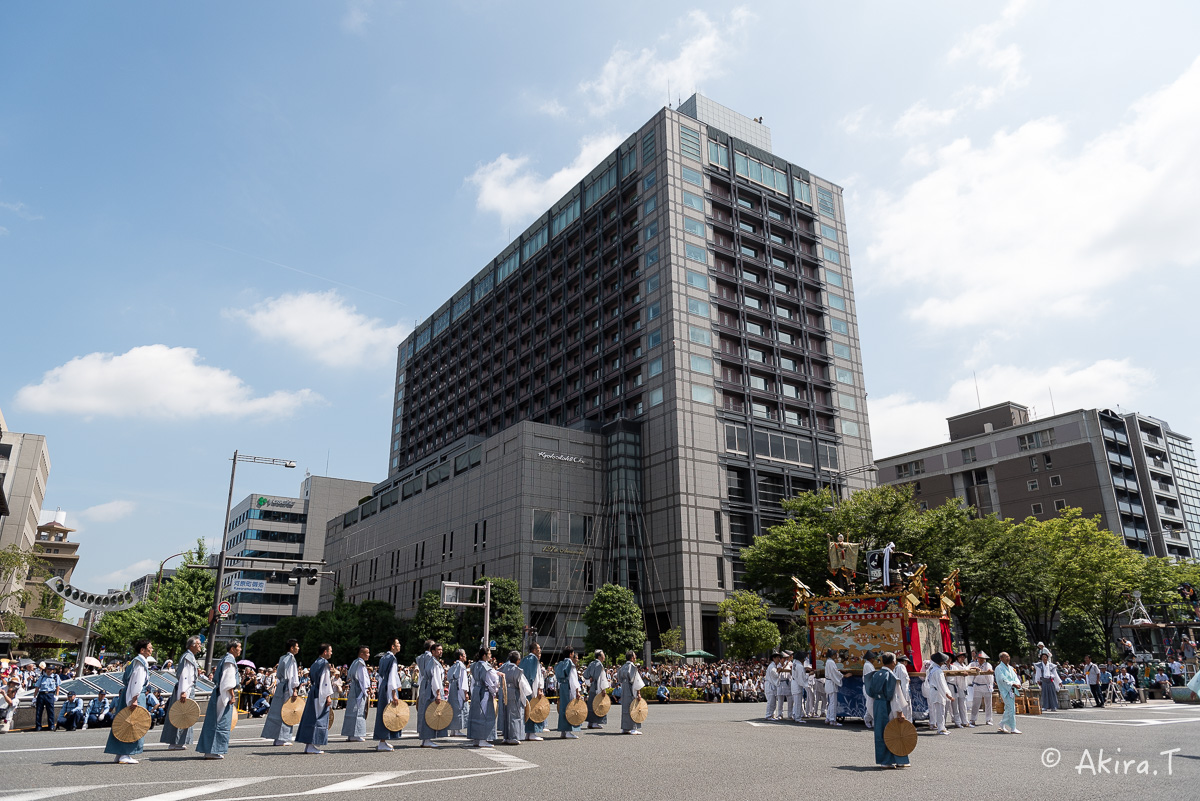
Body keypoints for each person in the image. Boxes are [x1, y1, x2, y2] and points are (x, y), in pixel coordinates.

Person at [104, 639, 153, 765]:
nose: (151, 649)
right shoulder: (141, 662)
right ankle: (125, 754)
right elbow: (137, 682)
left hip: (128, 694)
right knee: (132, 724)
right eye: (149, 648)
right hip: (135, 695)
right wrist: (135, 699)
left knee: (123, 723)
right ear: (142, 650)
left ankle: (120, 753)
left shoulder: (135, 661)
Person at [196, 641, 241, 760]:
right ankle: (213, 750)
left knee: (214, 720)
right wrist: (232, 695)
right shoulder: (229, 661)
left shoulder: (225, 659)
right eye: (239, 647)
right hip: (224, 693)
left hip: (220, 692)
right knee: (220, 722)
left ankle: (210, 750)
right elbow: (228, 681)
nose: (240, 649)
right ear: (232, 649)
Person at [865, 653, 909, 769]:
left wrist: (871, 711)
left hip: (877, 705)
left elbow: (870, 695)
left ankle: (885, 761)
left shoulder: (875, 675)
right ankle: (899, 760)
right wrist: (899, 712)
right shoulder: (891, 677)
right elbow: (896, 697)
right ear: (893, 662)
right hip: (888, 705)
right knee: (894, 732)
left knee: (880, 733)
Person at [161, 636, 202, 749]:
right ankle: (176, 742)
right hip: (185, 689)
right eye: (198, 644)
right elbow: (185, 676)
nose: (200, 646)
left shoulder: (189, 656)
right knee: (182, 714)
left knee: (180, 714)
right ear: (192, 645)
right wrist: (183, 691)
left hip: (185, 688)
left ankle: (176, 742)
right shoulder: (188, 657)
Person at [295, 644, 334, 755]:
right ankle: (313, 745)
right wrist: (328, 696)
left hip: (313, 692)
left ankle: (309, 745)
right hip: (320, 692)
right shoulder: (324, 664)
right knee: (319, 718)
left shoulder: (315, 663)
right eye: (330, 651)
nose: (331, 653)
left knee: (311, 717)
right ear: (325, 652)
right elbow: (325, 682)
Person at [374, 637, 404, 751]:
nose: (399, 645)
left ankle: (383, 740)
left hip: (383, 687)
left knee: (383, 712)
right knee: (387, 714)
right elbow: (392, 677)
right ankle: (382, 741)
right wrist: (394, 694)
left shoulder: (383, 658)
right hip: (389, 688)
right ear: (393, 646)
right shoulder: (392, 659)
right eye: (398, 643)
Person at [416, 641, 448, 747]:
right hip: (432, 690)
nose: (440, 652)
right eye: (438, 650)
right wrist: (438, 693)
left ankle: (426, 738)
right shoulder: (434, 663)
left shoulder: (427, 660)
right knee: (430, 713)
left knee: (427, 712)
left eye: (441, 650)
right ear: (432, 651)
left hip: (426, 688)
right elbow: (436, 679)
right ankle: (427, 739)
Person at [467, 646, 500, 747]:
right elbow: (491, 682)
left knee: (476, 714)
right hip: (484, 691)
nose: (490, 656)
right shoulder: (486, 667)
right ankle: (482, 739)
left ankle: (476, 739)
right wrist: (495, 691)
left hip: (476, 690)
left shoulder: (474, 665)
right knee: (484, 714)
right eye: (489, 654)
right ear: (484, 655)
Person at [497, 650, 532, 745]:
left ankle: (506, 736)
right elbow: (522, 684)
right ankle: (513, 736)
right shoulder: (517, 670)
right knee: (515, 714)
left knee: (506, 714)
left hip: (504, 691)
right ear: (518, 660)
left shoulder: (503, 667)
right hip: (514, 692)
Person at [340, 645, 371, 743]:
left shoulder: (354, 662)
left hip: (353, 688)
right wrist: (367, 688)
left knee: (351, 711)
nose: (368, 655)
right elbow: (363, 678)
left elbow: (350, 675)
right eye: (367, 653)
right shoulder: (361, 663)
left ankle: (351, 734)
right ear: (361, 654)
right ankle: (356, 734)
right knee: (358, 711)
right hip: (359, 689)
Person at [520, 643, 546, 742]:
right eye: (538, 649)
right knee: (533, 710)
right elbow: (536, 676)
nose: (540, 650)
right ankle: (532, 733)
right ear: (534, 650)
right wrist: (540, 689)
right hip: (532, 688)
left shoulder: (525, 659)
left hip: (525, 687)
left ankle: (528, 733)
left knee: (527, 710)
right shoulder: (534, 660)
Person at [554, 647, 582, 739]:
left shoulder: (561, 663)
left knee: (563, 708)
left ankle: (563, 730)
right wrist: (577, 691)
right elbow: (573, 679)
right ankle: (568, 731)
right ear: (570, 654)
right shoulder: (570, 663)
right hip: (569, 687)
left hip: (562, 686)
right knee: (570, 708)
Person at [615, 651, 645, 735]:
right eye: (634, 656)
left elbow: (619, 678)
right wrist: (638, 693)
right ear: (632, 658)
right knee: (633, 707)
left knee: (625, 707)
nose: (635, 658)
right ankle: (633, 728)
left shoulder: (623, 667)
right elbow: (636, 681)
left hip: (624, 688)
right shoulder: (632, 667)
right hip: (631, 688)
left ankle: (625, 728)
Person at [924, 652, 953, 734]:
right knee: (940, 711)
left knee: (939, 710)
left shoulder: (931, 669)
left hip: (934, 690)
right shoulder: (938, 671)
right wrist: (947, 694)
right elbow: (942, 684)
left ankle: (941, 727)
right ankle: (941, 728)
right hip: (938, 691)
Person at [994, 652, 1022, 734]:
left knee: (1009, 708)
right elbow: (1001, 679)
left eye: (1008, 656)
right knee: (1011, 708)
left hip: (1011, 690)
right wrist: (1012, 684)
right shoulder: (999, 668)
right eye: (1006, 656)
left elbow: (1015, 678)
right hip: (1005, 690)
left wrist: (1017, 684)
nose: (1008, 658)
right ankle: (1013, 727)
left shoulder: (1010, 668)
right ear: (1001, 658)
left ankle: (1002, 723)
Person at [583, 650, 609, 729]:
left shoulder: (592, 663)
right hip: (598, 687)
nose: (604, 656)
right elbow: (601, 678)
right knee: (597, 704)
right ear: (599, 656)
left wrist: (589, 681)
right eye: (603, 655)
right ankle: (595, 723)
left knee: (591, 704)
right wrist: (603, 689)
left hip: (592, 687)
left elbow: (585, 674)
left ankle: (590, 723)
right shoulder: (599, 665)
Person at [447, 648, 470, 737]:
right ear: (461, 657)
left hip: (452, 689)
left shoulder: (453, 666)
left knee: (453, 708)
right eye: (464, 655)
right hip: (458, 689)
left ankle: (453, 730)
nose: (466, 657)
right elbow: (463, 681)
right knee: (459, 708)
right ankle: (457, 730)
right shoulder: (462, 667)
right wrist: (465, 693)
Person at [968, 651, 994, 727]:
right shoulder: (973, 664)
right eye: (980, 658)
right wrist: (974, 668)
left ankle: (988, 719)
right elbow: (967, 668)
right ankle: (973, 719)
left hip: (986, 685)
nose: (981, 659)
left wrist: (989, 671)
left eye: (983, 658)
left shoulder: (987, 664)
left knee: (988, 703)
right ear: (977, 658)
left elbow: (990, 670)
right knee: (976, 704)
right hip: (977, 686)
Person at [33, 663, 60, 731]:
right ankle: (38, 726)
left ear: (53, 670)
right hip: (42, 694)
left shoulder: (55, 677)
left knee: (50, 711)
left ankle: (51, 725)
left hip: (50, 694)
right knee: (39, 711)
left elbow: (58, 687)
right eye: (48, 669)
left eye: (51, 670)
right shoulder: (42, 677)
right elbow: (37, 687)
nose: (49, 671)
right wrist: (34, 697)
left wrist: (57, 695)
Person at [948, 653, 969, 728]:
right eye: (960, 657)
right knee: (954, 705)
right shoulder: (955, 665)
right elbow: (958, 673)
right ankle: (957, 721)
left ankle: (964, 721)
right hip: (956, 686)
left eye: (963, 657)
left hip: (962, 686)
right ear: (957, 658)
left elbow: (969, 669)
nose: (962, 658)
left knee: (963, 705)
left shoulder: (964, 665)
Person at [823, 650, 843, 726]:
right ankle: (832, 720)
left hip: (829, 682)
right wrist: (842, 675)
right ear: (832, 655)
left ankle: (828, 718)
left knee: (830, 702)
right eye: (835, 654)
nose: (836, 655)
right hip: (831, 683)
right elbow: (835, 673)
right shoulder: (831, 662)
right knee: (833, 703)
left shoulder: (828, 662)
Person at [788, 652, 807, 721]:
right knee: (798, 702)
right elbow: (801, 678)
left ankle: (795, 714)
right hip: (797, 684)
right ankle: (798, 717)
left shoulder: (795, 663)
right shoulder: (800, 666)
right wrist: (808, 675)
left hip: (794, 682)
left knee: (796, 702)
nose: (804, 660)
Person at [894, 655, 913, 720]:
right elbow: (904, 681)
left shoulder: (896, 667)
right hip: (903, 691)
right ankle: (907, 725)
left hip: (899, 691)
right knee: (906, 710)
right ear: (904, 661)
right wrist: (905, 695)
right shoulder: (901, 667)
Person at [764, 652, 782, 720]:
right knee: (771, 701)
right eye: (777, 658)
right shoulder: (772, 666)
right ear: (774, 659)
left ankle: (771, 714)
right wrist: (779, 671)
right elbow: (776, 675)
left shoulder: (774, 666)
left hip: (772, 685)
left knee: (773, 702)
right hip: (770, 686)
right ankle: (768, 715)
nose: (779, 659)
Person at [861, 652, 876, 728]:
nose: (874, 659)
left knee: (872, 704)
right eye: (873, 658)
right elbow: (871, 676)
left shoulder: (869, 665)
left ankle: (873, 721)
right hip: (868, 686)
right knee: (870, 704)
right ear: (870, 658)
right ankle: (867, 718)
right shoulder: (868, 665)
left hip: (870, 686)